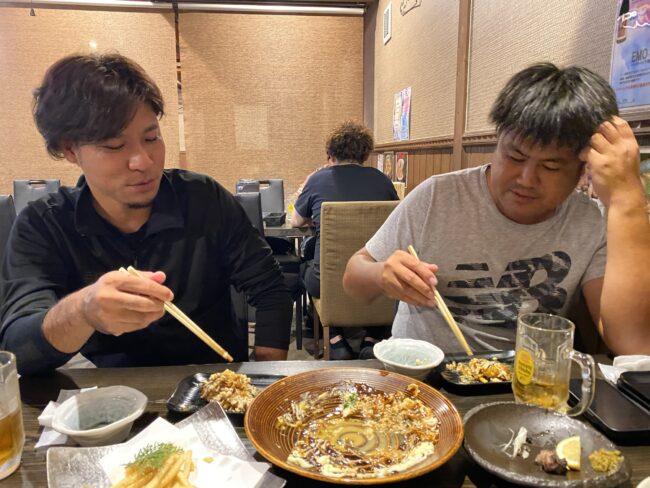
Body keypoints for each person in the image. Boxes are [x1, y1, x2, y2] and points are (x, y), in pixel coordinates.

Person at [0, 53, 293, 375]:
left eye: (151, 138)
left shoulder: (203, 199)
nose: (143, 161)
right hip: (111, 394)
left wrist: (264, 378)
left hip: (214, 382)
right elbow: (18, 351)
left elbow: (270, 289)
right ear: (70, 149)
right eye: (115, 145)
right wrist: (83, 311)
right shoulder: (44, 224)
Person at [343, 63, 650, 355]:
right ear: (497, 139)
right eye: (515, 156)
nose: (526, 179)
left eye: (551, 166)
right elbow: (354, 280)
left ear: (584, 168)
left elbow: (633, 343)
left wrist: (627, 201)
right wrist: (382, 275)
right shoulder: (437, 197)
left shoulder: (590, 219)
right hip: (426, 376)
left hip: (527, 377)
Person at [291, 121, 399, 359]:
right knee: (382, 274)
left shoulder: (318, 180)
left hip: (326, 282)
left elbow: (296, 221)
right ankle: (371, 339)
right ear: (365, 153)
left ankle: (335, 339)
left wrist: (308, 186)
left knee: (306, 266)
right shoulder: (382, 180)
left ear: (331, 153)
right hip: (373, 279)